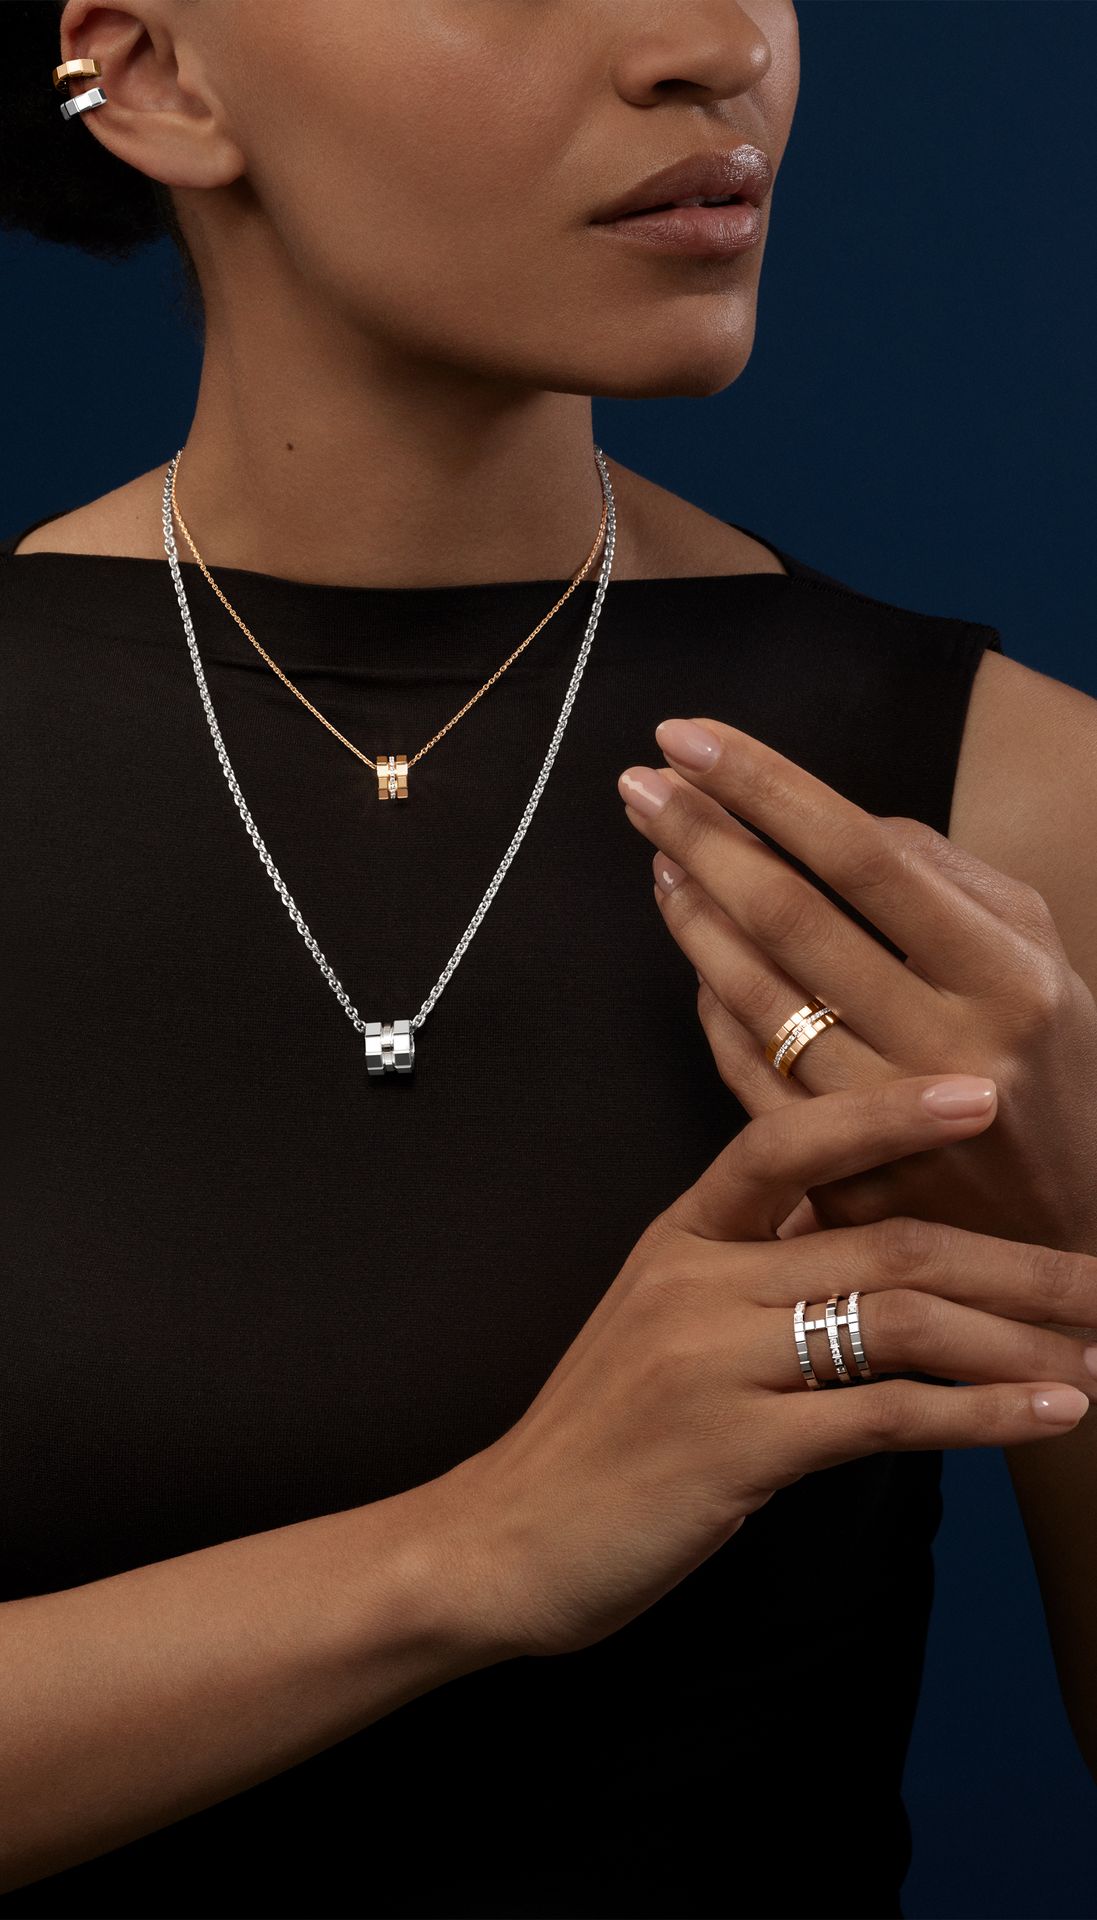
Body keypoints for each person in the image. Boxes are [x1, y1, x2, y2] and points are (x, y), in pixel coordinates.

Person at [2, 3, 1097, 1917]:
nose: (709, 44)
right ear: (156, 77)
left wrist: (1078, 1248)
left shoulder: (1012, 817)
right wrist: (480, 1549)